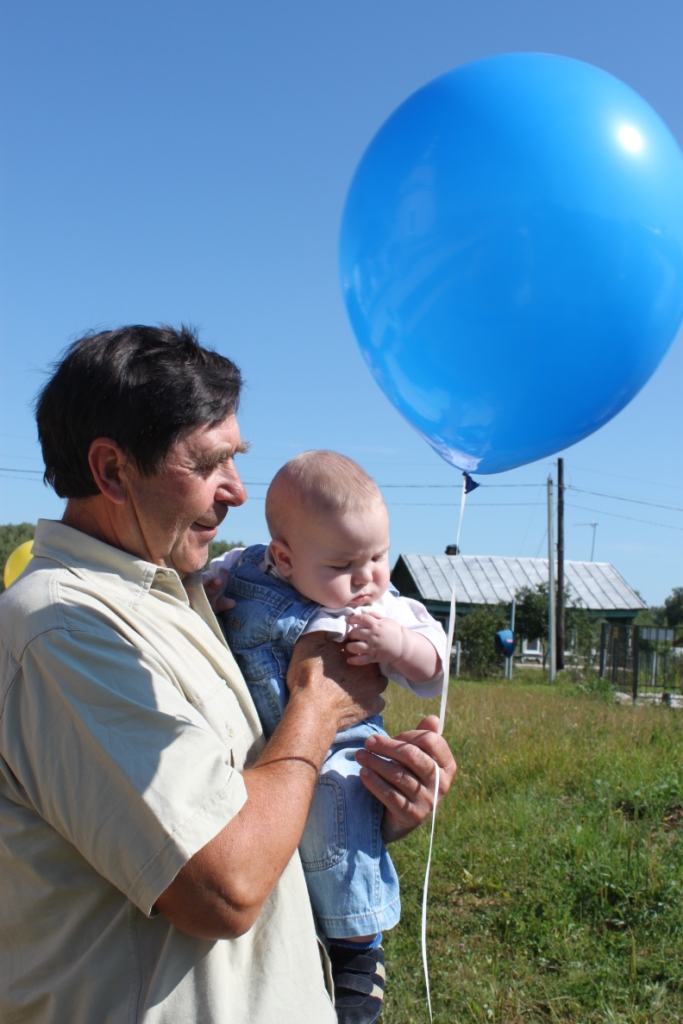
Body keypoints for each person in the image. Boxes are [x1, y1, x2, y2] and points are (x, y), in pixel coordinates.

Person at [0, 325, 456, 1024]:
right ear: (113, 470)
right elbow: (224, 885)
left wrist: (374, 802)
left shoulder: (189, 595)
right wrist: (318, 709)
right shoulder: (64, 628)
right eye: (210, 463)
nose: (239, 491)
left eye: (235, 459)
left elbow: (260, 797)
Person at [205, 450, 446, 1021]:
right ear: (284, 558)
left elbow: (434, 665)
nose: (367, 578)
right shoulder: (242, 566)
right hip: (260, 748)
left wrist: (397, 646)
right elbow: (207, 582)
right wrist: (208, 597)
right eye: (343, 564)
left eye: (379, 557)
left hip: (342, 747)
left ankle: (356, 944)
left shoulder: (380, 609)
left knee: (339, 811)